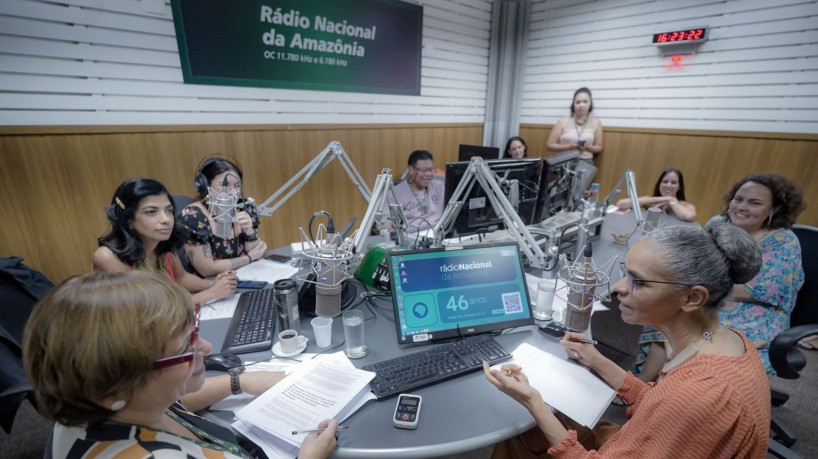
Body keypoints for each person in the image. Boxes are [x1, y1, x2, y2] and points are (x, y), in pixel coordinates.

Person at [484, 224, 770, 458]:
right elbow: (662, 406)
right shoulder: (726, 340)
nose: (619, 288)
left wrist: (533, 401)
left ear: (693, 297)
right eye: (625, 274)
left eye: (639, 282)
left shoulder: (700, 394)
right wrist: (598, 361)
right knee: (531, 431)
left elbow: (679, 405)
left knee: (533, 424)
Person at [23, 272, 337, 459]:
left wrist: (238, 381)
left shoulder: (104, 405)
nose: (206, 347)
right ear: (113, 385)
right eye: (184, 346)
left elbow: (169, 403)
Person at [708, 173, 806, 374]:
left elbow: (761, 291)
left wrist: (704, 283)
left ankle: (690, 395)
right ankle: (645, 387)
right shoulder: (718, 223)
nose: (742, 207)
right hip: (713, 298)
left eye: (754, 203)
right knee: (665, 316)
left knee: (707, 341)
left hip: (758, 313)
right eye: (738, 199)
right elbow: (696, 261)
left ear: (773, 209)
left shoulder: (783, 241)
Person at [93, 177, 237, 305]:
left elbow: (181, 278)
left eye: (169, 210)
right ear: (129, 219)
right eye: (151, 212)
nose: (166, 220)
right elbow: (148, 311)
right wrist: (211, 294)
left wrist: (214, 284)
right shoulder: (107, 257)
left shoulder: (160, 243)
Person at [181, 157, 268, 277]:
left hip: (246, 276)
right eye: (224, 185)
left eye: (237, 186)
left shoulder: (245, 207)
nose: (233, 192)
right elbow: (206, 269)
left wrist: (249, 230)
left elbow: (258, 251)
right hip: (210, 285)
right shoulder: (194, 216)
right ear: (205, 186)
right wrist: (248, 258)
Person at [387, 150, 445, 231]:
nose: (428, 174)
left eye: (431, 170)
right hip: (412, 236)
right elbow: (385, 224)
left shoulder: (440, 187)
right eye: (424, 170)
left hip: (439, 232)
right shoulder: (394, 193)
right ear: (411, 170)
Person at [616, 168, 697, 222]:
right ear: (659, 184)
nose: (668, 186)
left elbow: (688, 216)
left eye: (673, 183)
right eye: (665, 182)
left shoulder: (685, 205)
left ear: (679, 187)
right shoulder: (651, 202)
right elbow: (621, 204)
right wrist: (657, 199)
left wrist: (672, 201)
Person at [546, 87, 604, 164]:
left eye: (585, 101)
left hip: (585, 162)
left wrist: (587, 147)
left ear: (590, 103)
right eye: (578, 102)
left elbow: (599, 147)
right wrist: (570, 146)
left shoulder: (596, 122)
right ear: (573, 104)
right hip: (564, 161)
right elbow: (550, 145)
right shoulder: (562, 121)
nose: (581, 105)